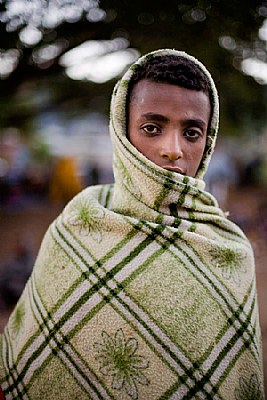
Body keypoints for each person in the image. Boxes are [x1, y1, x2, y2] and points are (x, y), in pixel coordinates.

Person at [0, 49, 264, 399]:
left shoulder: (229, 249)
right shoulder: (78, 223)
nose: (173, 149)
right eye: (152, 128)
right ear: (122, 132)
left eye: (192, 132)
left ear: (209, 139)